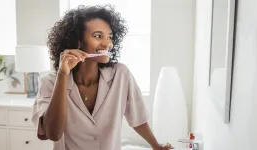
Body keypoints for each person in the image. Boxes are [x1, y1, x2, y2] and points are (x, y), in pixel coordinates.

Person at [31, 4, 173, 150]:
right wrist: (62, 75)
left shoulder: (120, 74)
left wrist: (156, 146)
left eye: (109, 37)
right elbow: (53, 134)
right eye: (98, 36)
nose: (107, 43)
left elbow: (137, 118)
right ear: (78, 41)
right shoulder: (49, 82)